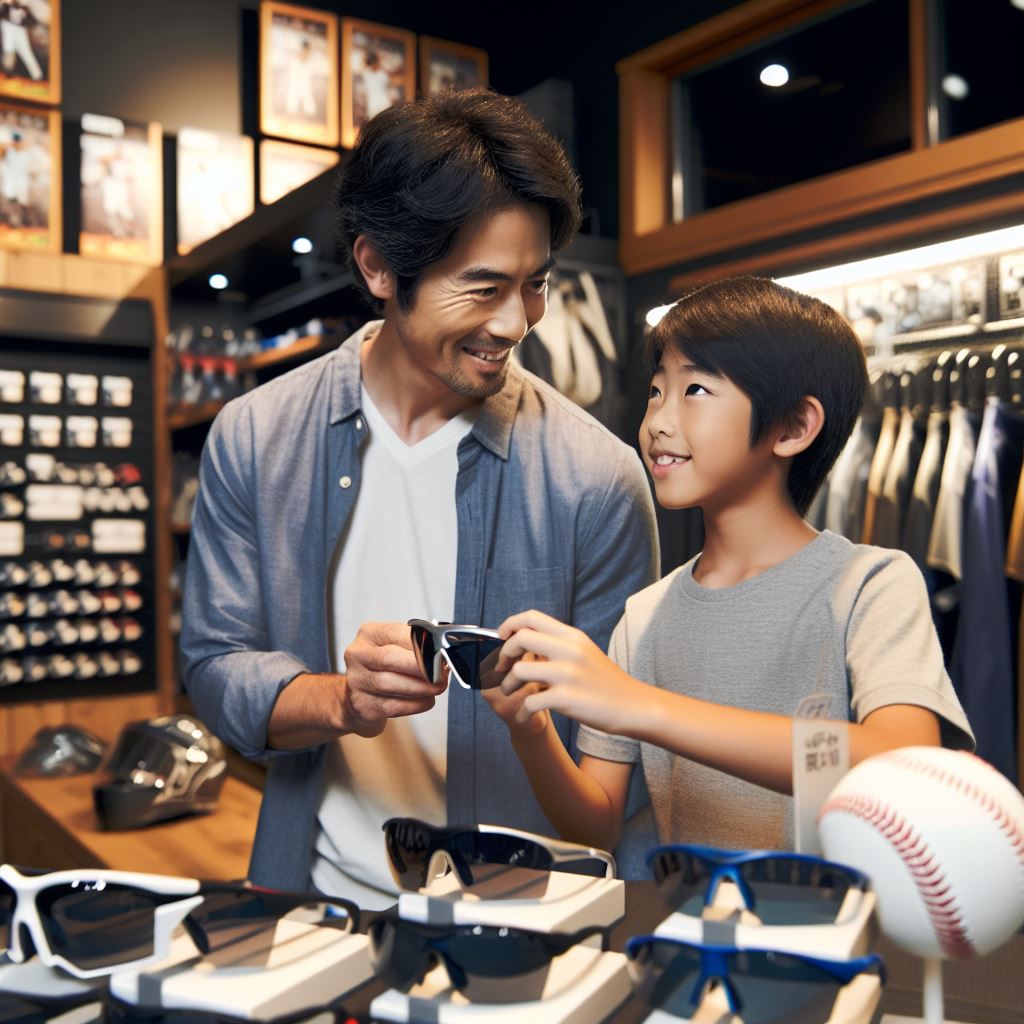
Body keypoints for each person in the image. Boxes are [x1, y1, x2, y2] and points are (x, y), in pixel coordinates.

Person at [180, 88, 659, 905]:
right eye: (482, 288)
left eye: (535, 284)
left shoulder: (598, 480)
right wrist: (341, 698)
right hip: (313, 903)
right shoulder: (256, 437)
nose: (516, 323)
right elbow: (215, 667)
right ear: (376, 265)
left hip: (519, 935)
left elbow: (619, 769)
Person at [488, 276, 974, 856]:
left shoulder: (870, 585)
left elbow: (900, 760)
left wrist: (641, 705)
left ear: (794, 427)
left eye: (695, 390)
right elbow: (597, 828)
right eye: (655, 391)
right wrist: (532, 731)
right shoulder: (643, 618)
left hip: (828, 936)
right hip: (683, 935)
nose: (659, 421)